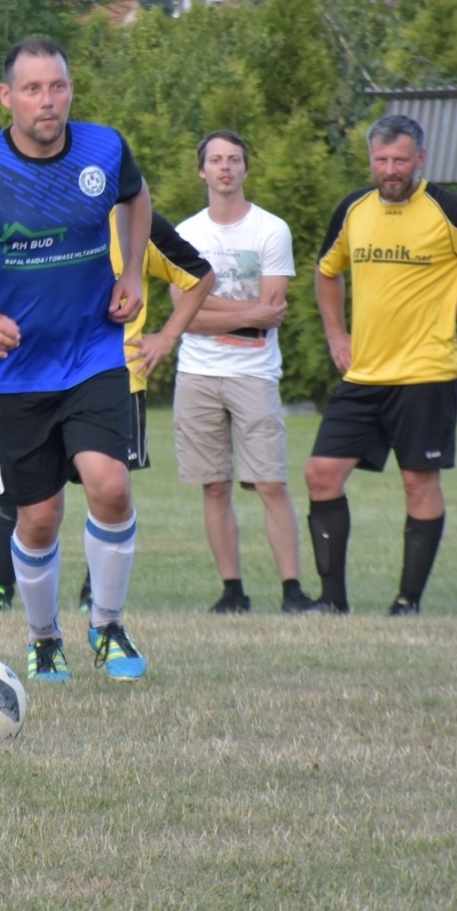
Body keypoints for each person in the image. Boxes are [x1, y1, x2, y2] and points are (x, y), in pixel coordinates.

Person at [0, 37, 155, 683]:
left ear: (70, 91)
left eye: (57, 87)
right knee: (40, 514)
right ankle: (43, 635)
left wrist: (131, 273)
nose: (47, 101)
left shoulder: (104, 149)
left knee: (110, 484)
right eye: (32, 89)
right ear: (7, 97)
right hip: (16, 371)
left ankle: (106, 625)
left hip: (93, 352)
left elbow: (136, 200)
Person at [305, 114, 457, 615]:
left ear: (421, 160)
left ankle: (407, 602)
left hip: (427, 373)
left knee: (418, 482)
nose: (390, 170)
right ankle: (331, 601)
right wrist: (335, 333)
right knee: (321, 474)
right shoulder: (353, 209)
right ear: (370, 159)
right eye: (381, 160)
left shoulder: (448, 208)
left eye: (400, 161)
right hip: (364, 373)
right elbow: (327, 272)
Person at [0, 209, 214, 613]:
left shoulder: (133, 220)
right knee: (31, 506)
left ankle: (98, 603)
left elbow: (199, 276)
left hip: (111, 380)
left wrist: (167, 337)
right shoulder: (26, 211)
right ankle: (3, 594)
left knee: (107, 492)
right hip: (28, 382)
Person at [173, 131, 320, 615]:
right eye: (215, 160)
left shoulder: (271, 230)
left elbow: (273, 310)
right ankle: (232, 590)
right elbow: (183, 316)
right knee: (213, 484)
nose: (225, 168)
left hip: (255, 374)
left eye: (234, 159)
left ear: (245, 169)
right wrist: (244, 313)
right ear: (202, 171)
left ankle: (292, 589)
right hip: (198, 373)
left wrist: (208, 311)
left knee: (271, 483)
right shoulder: (186, 235)